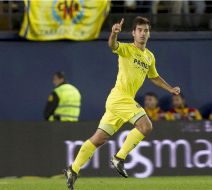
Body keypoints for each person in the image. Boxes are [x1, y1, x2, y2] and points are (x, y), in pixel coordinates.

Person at [64, 16, 180, 190]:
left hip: (119, 101)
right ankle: (119, 158)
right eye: (139, 30)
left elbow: (154, 76)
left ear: (149, 34)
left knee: (99, 138)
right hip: (120, 98)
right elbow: (112, 45)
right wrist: (113, 34)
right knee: (146, 126)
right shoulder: (126, 49)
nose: (142, 33)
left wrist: (169, 89)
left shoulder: (149, 56)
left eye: (146, 30)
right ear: (133, 33)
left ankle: (73, 169)